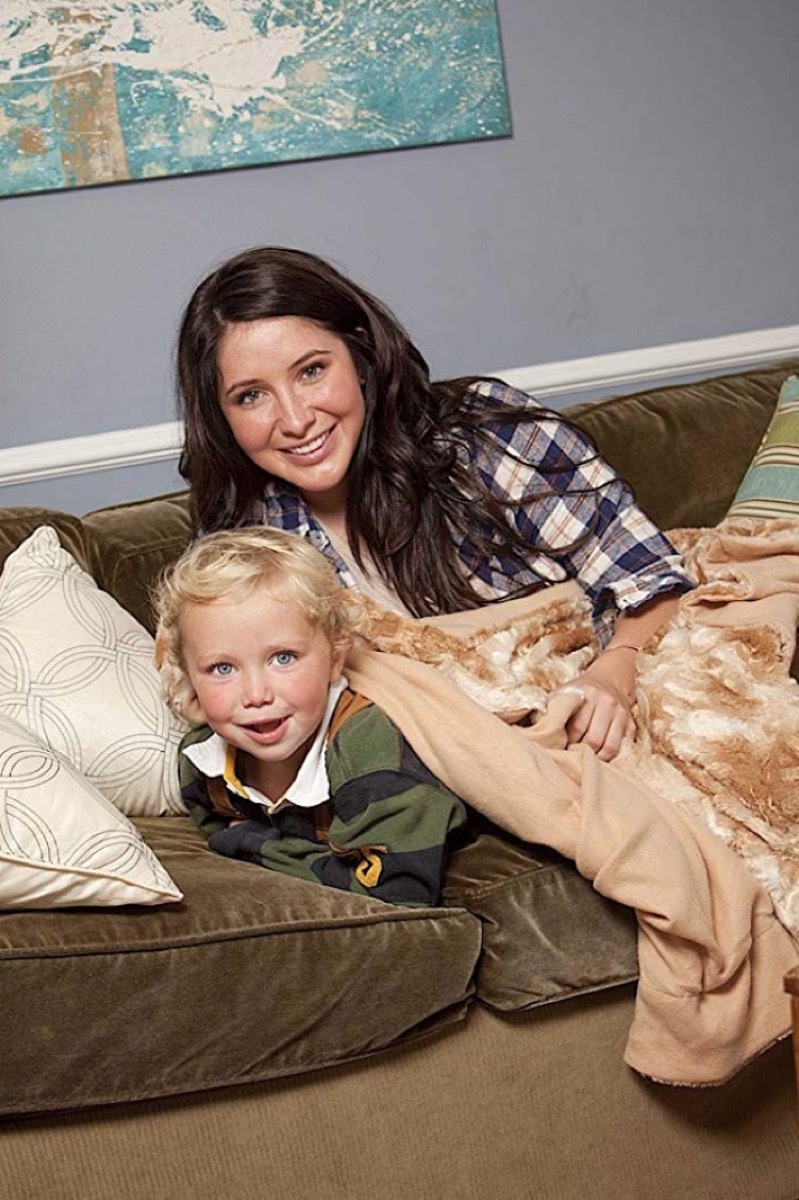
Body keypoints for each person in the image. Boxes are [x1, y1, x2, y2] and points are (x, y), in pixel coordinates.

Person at [176, 247, 694, 763]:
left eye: (311, 371)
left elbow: (652, 578)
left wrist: (613, 671)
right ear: (220, 417)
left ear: (361, 358)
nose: (294, 419)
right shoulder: (242, 541)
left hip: (595, 718)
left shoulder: (491, 439)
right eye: (251, 396)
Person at [153, 526, 467, 907]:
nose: (256, 695)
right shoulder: (201, 765)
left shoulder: (368, 750)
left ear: (335, 658)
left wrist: (253, 843)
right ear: (189, 678)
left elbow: (399, 896)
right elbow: (217, 827)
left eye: (283, 658)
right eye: (222, 668)